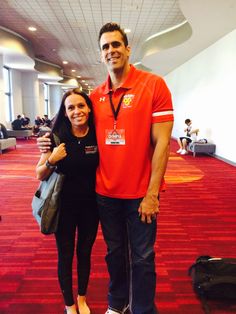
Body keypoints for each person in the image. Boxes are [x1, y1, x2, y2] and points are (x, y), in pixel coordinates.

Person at [37, 22, 174, 314]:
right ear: (100, 55)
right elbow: (74, 126)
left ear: (127, 48)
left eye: (115, 45)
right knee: (114, 255)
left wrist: (152, 194)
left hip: (141, 194)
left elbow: (163, 144)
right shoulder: (96, 97)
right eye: (105, 47)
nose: (111, 51)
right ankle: (117, 302)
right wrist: (47, 143)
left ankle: (143, 309)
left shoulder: (154, 85)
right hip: (105, 194)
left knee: (142, 257)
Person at [35, 89, 99, 314]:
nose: (76, 111)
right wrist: (52, 159)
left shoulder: (97, 135)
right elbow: (39, 174)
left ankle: (82, 298)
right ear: (64, 112)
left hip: (91, 207)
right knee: (65, 254)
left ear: (89, 108)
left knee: (84, 252)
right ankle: (69, 304)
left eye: (80, 106)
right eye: (70, 107)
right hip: (63, 207)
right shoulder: (56, 137)